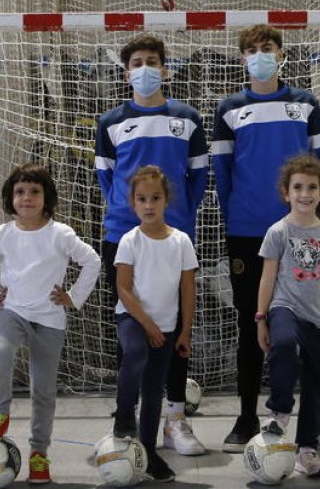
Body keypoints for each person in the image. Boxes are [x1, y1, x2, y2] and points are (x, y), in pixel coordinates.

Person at [212, 24, 320, 454]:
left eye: (267, 48)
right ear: (242, 59)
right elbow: (222, 174)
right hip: (247, 232)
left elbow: (318, 166)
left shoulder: (305, 104)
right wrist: (240, 214)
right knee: (249, 324)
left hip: (302, 233)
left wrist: (306, 215)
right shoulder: (229, 108)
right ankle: (246, 417)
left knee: (313, 325)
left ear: (281, 54)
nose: (260, 55)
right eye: (251, 50)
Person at [95, 35, 208, 456]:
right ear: (127, 73)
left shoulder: (188, 118)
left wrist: (176, 218)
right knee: (129, 332)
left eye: (153, 61)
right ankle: (124, 420)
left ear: (166, 68)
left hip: (174, 238)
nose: (145, 68)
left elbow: (197, 179)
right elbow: (107, 179)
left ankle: (174, 419)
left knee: (175, 330)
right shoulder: (110, 122)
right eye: (137, 62)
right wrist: (130, 218)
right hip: (122, 237)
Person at [0, 163, 102, 484]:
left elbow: (92, 261)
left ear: (47, 198)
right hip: (12, 312)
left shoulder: (60, 234)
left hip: (49, 320)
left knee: (43, 391)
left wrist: (73, 296)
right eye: (19, 192)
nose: (26, 198)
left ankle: (39, 454)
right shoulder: (3, 234)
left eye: (34, 192)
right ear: (10, 198)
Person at [255, 154, 320, 479]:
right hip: (285, 307)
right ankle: (279, 411)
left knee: (315, 383)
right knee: (283, 344)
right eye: (298, 187)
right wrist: (261, 318)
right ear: (286, 192)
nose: (305, 194)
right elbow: (267, 278)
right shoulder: (277, 232)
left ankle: (307, 450)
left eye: (312, 187)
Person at [112, 165, 198, 482]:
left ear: (166, 201)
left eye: (155, 198)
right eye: (142, 199)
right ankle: (123, 417)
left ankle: (148, 451)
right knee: (135, 354)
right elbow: (123, 288)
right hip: (132, 318)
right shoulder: (129, 241)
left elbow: (188, 289)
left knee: (153, 391)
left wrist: (184, 330)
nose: (149, 205)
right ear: (133, 203)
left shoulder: (181, 242)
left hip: (166, 326)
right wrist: (147, 324)